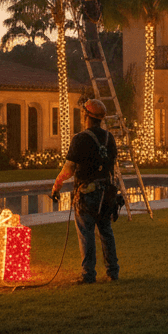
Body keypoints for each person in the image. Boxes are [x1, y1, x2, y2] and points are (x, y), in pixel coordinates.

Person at [51, 99, 120, 284]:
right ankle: (113, 272)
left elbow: (68, 169)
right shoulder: (109, 138)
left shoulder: (80, 139)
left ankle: (89, 275)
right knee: (106, 231)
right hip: (106, 194)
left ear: (86, 116)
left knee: (87, 234)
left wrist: (56, 186)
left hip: (87, 195)